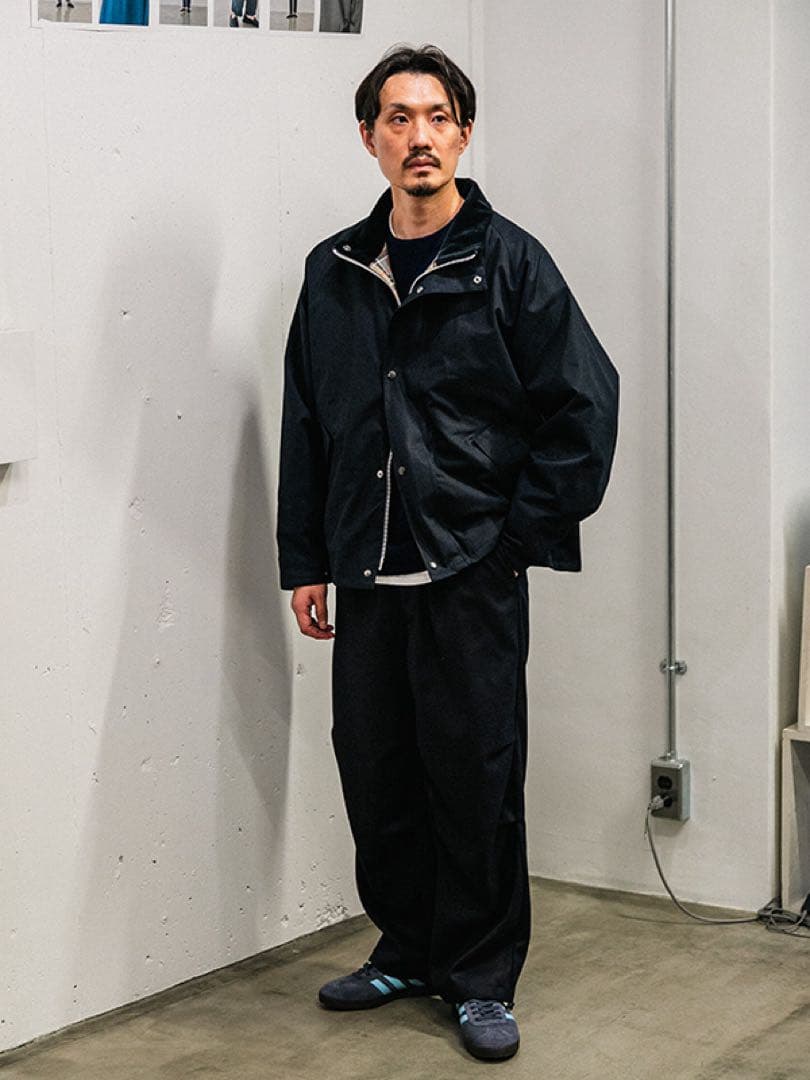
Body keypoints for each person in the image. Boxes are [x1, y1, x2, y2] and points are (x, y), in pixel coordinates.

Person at [276, 44, 619, 1063]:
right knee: (377, 772)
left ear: (463, 133)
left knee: (475, 777)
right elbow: (308, 421)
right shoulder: (334, 270)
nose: (418, 137)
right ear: (370, 137)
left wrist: (511, 542)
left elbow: (584, 410)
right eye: (398, 118)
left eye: (436, 117)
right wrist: (305, 558)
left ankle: (479, 977)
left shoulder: (510, 262)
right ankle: (409, 949)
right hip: (365, 569)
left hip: (470, 568)